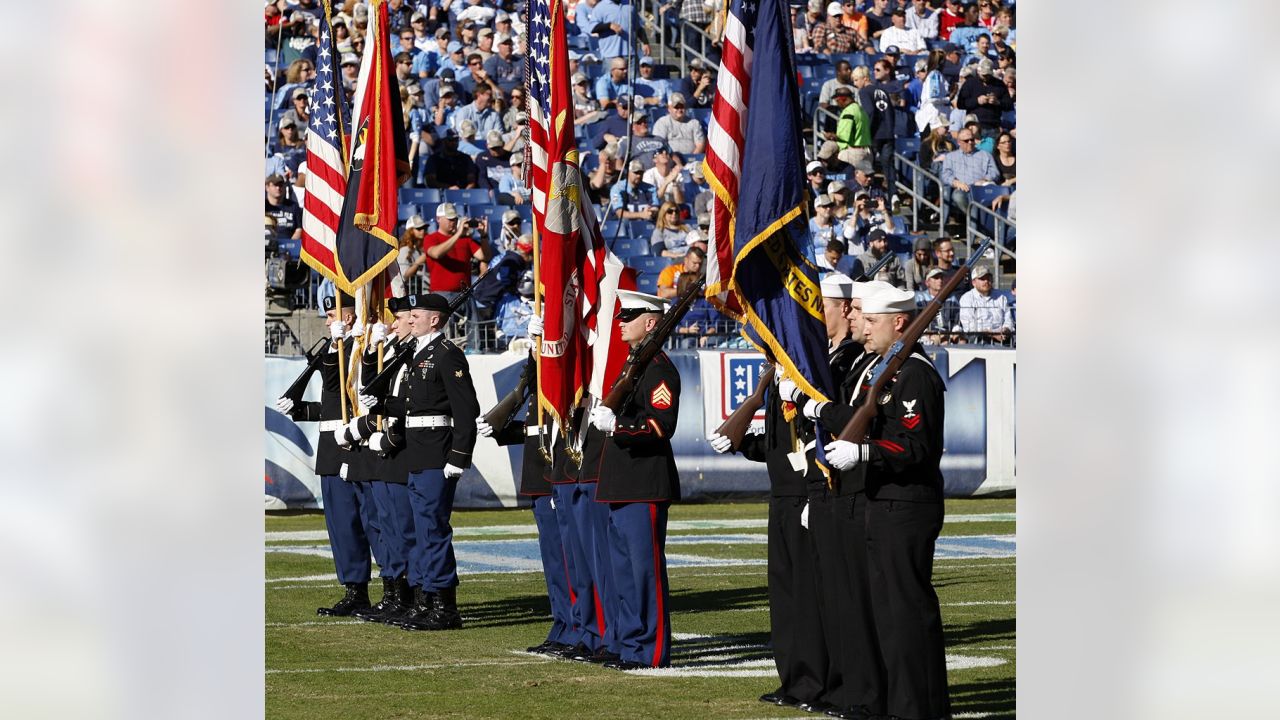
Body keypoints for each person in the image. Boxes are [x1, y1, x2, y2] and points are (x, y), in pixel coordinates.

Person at [818, 284, 952, 720]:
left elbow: (915, 446)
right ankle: (900, 704)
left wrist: (864, 452)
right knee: (888, 617)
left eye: (872, 320)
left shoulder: (914, 374)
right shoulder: (883, 370)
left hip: (907, 504)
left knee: (907, 613)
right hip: (884, 501)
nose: (865, 326)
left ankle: (920, 708)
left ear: (899, 323)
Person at [365, 293, 480, 632]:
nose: (410, 319)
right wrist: (383, 403)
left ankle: (444, 606)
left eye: (416, 314)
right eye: (410, 315)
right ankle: (426, 599)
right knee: (421, 530)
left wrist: (459, 456)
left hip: (436, 454)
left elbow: (465, 410)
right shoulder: (417, 354)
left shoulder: (447, 355)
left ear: (435, 320)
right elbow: (415, 407)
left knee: (433, 529)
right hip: (416, 453)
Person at [588, 290, 681, 670]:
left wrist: (619, 425)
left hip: (644, 482)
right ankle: (629, 644)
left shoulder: (658, 369)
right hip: (622, 482)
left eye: (631, 315)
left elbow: (661, 426)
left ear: (652, 322)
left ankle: (650, 649)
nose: (621, 322)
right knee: (623, 571)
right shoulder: (634, 366)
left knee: (644, 573)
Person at [274, 295, 376, 617]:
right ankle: (355, 590)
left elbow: (352, 396)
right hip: (331, 447)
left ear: (348, 319)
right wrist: (302, 409)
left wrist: (338, 347)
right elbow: (332, 404)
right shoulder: (332, 349)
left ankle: (396, 589)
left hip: (359, 442)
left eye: (332, 314)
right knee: (341, 524)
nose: (327, 320)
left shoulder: (360, 351)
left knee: (373, 520)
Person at [476, 354, 576, 654]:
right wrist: (501, 429)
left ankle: (576, 626)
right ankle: (562, 624)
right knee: (554, 561)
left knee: (569, 560)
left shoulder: (564, 364)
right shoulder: (538, 371)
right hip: (539, 475)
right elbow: (535, 428)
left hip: (558, 471)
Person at [422, 203, 490, 303]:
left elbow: (485, 257)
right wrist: (458, 234)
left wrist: (484, 236)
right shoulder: (431, 238)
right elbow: (436, 254)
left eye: (455, 219)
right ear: (438, 219)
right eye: (450, 219)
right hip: (442, 295)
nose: (453, 222)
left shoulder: (465, 240)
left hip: (465, 294)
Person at [939, 127, 1000, 218]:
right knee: (958, 196)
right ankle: (974, 219)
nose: (970, 142)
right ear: (959, 142)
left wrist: (985, 179)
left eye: (972, 139)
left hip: (982, 189)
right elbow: (945, 175)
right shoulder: (951, 157)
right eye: (966, 140)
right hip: (964, 190)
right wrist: (955, 182)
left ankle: (976, 221)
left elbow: (994, 172)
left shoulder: (985, 155)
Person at [955, 58, 1012, 141]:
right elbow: (960, 104)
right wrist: (977, 101)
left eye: (988, 75)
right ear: (978, 71)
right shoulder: (970, 83)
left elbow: (1008, 105)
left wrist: (998, 102)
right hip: (974, 127)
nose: (986, 77)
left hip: (993, 126)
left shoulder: (999, 84)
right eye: (983, 75)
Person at [956, 264, 1013, 344]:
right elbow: (969, 327)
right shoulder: (966, 298)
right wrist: (991, 334)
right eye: (982, 279)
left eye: (988, 278)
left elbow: (1008, 320)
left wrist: (1006, 330)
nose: (986, 281)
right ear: (974, 282)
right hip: (978, 341)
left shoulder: (1001, 297)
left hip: (1003, 340)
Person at [914, 267, 961, 344]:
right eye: (936, 278)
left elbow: (957, 321)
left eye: (941, 277)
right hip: (927, 336)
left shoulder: (952, 298)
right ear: (927, 282)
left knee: (961, 341)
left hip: (947, 334)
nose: (940, 280)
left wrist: (955, 332)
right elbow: (915, 323)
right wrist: (927, 334)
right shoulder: (919, 298)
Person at [395, 215, 430, 296]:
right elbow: (404, 276)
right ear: (410, 231)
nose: (422, 231)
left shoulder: (420, 249)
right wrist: (418, 263)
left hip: (423, 291)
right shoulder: (404, 250)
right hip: (414, 293)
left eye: (424, 228)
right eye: (418, 229)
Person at [265, 174, 302, 240]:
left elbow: (299, 229)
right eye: (275, 185)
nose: (278, 188)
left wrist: (290, 243)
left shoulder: (293, 206)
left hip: (289, 246)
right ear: (267, 187)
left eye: (280, 185)